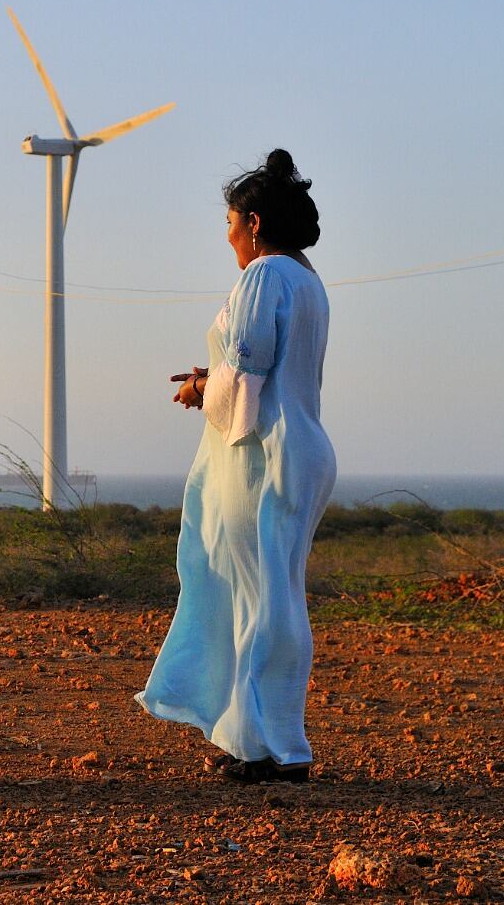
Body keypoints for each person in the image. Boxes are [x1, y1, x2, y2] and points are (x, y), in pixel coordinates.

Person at [137, 148, 336, 785]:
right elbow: (268, 368)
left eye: (229, 223)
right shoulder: (308, 280)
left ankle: (266, 747)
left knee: (254, 596)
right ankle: (269, 738)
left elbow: (247, 370)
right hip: (301, 449)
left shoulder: (263, 275)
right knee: (276, 596)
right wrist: (215, 374)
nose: (226, 237)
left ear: (253, 222)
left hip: (261, 456)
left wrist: (202, 389)